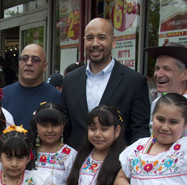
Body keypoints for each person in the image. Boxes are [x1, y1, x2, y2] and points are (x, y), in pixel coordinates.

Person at [61, 18, 150, 150]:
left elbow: (140, 129)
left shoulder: (134, 81)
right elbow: (66, 126)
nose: (95, 44)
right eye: (90, 38)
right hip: (76, 162)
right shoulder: (70, 80)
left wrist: (129, 162)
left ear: (113, 42)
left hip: (116, 165)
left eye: (102, 38)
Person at [67, 105, 126, 185]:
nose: (97, 134)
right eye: (93, 129)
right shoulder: (83, 155)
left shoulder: (123, 158)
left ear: (117, 130)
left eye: (104, 129)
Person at [146, 42, 187, 136]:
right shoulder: (157, 102)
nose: (158, 74)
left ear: (185, 74)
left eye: (167, 69)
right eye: (157, 68)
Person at [2, 44, 61, 130]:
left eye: (35, 60)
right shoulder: (2, 95)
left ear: (45, 66)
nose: (29, 63)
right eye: (24, 59)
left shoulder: (57, 97)